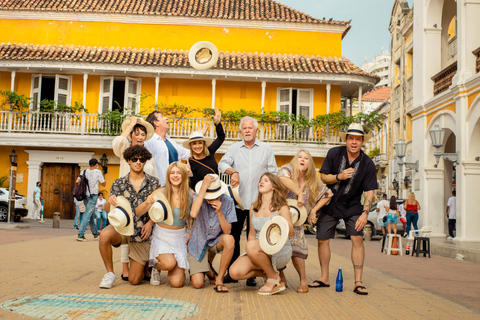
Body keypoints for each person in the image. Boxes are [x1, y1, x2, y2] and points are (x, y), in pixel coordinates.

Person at [308, 123, 377, 295]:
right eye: (351, 138)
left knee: (357, 239)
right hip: (330, 202)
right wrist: (339, 176)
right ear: (346, 140)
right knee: (322, 239)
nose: (354, 142)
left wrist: (364, 214)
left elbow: (369, 192)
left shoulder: (368, 163)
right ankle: (324, 277)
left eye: (358, 139)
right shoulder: (334, 153)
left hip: (353, 205)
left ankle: (358, 282)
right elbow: (323, 177)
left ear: (362, 142)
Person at [218, 116, 277, 286]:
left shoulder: (266, 149)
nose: (247, 131)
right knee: (234, 237)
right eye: (244, 128)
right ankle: (232, 271)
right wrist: (232, 171)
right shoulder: (235, 148)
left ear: (256, 130)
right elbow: (222, 164)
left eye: (250, 128)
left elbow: (273, 173)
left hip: (258, 204)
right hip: (238, 201)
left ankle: (251, 273)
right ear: (241, 131)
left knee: (255, 239)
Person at [98, 145, 159, 289]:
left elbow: (159, 207)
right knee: (104, 235)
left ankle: (143, 266)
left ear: (145, 162)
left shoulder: (154, 182)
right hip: (122, 229)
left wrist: (150, 222)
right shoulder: (119, 183)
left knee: (134, 280)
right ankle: (110, 273)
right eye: (134, 159)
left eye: (141, 159)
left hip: (141, 233)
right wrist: (109, 202)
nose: (138, 162)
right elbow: (108, 209)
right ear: (128, 161)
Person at [229, 172, 294, 295]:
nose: (261, 182)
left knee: (251, 246)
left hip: (278, 249)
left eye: (266, 180)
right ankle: (273, 274)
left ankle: (272, 278)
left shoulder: (281, 207)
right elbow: (252, 236)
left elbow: (290, 231)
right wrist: (252, 254)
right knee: (234, 272)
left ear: (273, 186)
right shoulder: (254, 207)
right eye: (261, 180)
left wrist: (279, 222)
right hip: (257, 250)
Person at [277, 149, 333, 293]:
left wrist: (314, 210)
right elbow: (282, 179)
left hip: (297, 220)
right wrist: (299, 192)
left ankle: (303, 280)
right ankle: (281, 277)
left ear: (310, 163)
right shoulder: (287, 169)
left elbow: (328, 194)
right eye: (300, 157)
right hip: (280, 217)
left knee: (298, 251)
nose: (302, 160)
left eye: (306, 158)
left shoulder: (312, 180)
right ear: (296, 160)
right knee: (277, 248)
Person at [140, 162, 192, 288]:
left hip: (180, 237)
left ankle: (172, 264)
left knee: (177, 283)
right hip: (162, 236)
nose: (175, 176)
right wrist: (147, 206)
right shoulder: (160, 192)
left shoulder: (190, 193)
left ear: (183, 175)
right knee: (169, 264)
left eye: (178, 173)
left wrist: (190, 232)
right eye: (172, 173)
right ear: (168, 175)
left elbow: (194, 217)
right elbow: (140, 211)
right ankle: (156, 267)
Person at [188, 174, 236, 292]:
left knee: (229, 239)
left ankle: (219, 278)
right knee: (198, 284)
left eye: (214, 195)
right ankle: (207, 268)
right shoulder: (197, 196)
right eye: (209, 195)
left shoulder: (228, 201)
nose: (210, 198)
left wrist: (219, 212)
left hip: (215, 241)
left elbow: (227, 231)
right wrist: (203, 188)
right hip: (197, 242)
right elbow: (193, 214)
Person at [145, 111, 192, 186]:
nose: (167, 118)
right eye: (162, 117)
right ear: (156, 123)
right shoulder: (149, 141)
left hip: (176, 187)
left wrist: (199, 137)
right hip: (160, 187)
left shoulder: (172, 142)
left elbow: (189, 153)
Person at [183, 107, 225, 189]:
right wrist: (189, 173)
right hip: (201, 194)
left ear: (204, 144)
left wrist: (218, 123)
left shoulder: (210, 151)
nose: (197, 146)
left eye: (200, 143)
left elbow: (221, 138)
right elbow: (193, 186)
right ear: (191, 146)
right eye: (194, 144)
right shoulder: (190, 163)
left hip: (217, 190)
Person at [76, 158, 106, 242]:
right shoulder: (98, 172)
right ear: (95, 164)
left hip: (85, 195)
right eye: (97, 164)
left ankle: (95, 233)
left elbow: (77, 180)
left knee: (91, 215)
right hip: (93, 196)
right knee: (87, 214)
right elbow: (103, 184)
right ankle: (80, 234)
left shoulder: (84, 171)